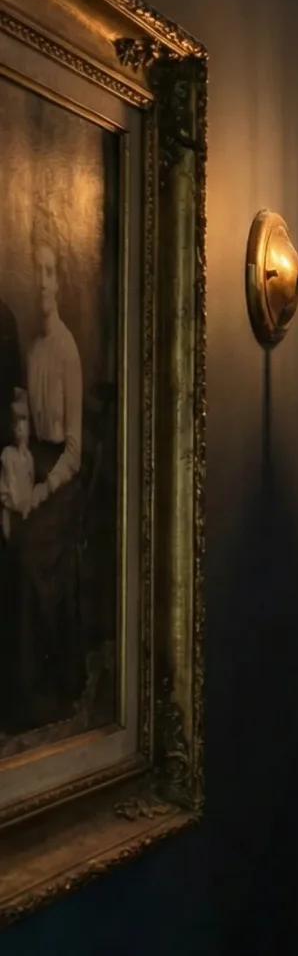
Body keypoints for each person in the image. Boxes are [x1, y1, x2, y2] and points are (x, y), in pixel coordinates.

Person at [14, 236, 86, 730]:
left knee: (28, 556)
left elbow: (76, 450)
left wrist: (41, 489)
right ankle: (17, 690)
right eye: (34, 272)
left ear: (58, 282)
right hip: (36, 460)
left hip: (65, 474)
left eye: (48, 273)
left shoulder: (65, 350)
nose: (41, 283)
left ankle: (46, 691)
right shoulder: (32, 346)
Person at [0, 389, 34, 543]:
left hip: (24, 507)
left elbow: (30, 479)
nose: (21, 429)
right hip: (13, 504)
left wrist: (28, 503)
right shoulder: (8, 454)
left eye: (24, 426)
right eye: (18, 426)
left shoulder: (28, 457)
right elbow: (11, 482)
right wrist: (18, 502)